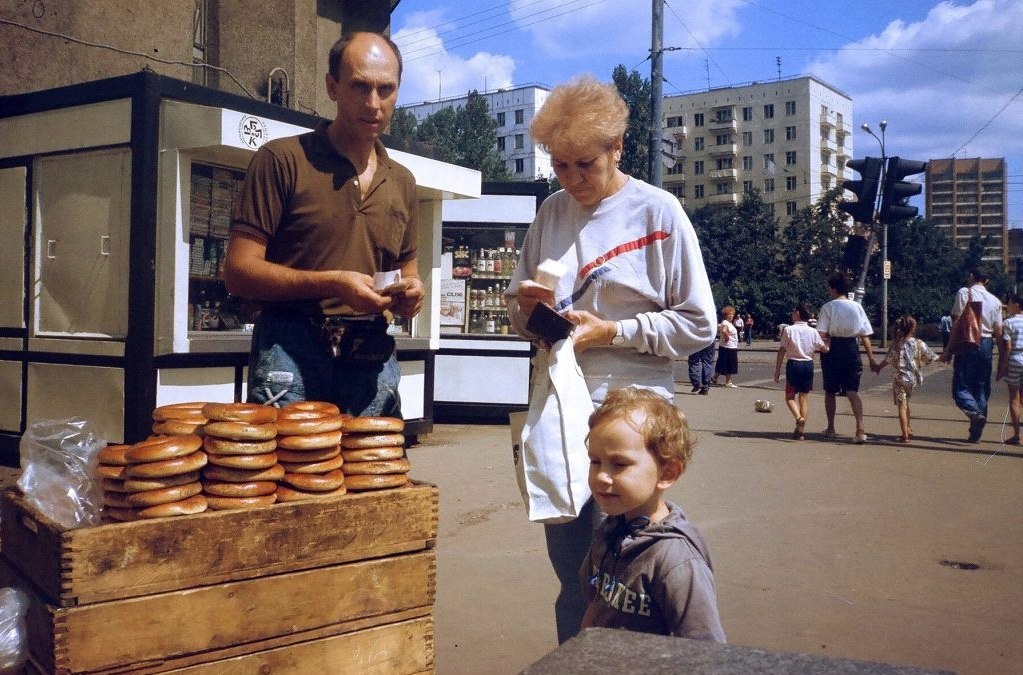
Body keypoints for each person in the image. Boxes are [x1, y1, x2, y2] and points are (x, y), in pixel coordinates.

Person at [504, 74, 716, 644]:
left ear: (617, 149)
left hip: (630, 418)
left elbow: (700, 324)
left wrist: (613, 331)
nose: (571, 180)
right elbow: (520, 319)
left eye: (584, 166)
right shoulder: (550, 212)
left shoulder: (658, 213)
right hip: (558, 414)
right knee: (575, 574)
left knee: (623, 580)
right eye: (560, 165)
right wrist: (527, 309)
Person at [224, 32, 424, 418]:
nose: (373, 103)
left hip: (369, 351)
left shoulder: (403, 181)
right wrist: (332, 283)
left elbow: (407, 273)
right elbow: (238, 272)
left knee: (374, 475)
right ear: (332, 87)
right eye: (359, 87)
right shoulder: (282, 160)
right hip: (289, 345)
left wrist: (412, 294)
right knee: (285, 474)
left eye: (386, 89)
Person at [580, 387, 726, 641]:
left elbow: (705, 650)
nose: (602, 476)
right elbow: (594, 606)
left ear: (667, 473)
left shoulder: (676, 561)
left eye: (619, 464)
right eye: (595, 461)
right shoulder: (608, 534)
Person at [816, 272, 878, 444]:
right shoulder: (857, 307)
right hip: (852, 348)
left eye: (830, 287)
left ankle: (831, 427)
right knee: (852, 391)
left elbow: (821, 333)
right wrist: (872, 359)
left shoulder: (828, 307)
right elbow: (865, 335)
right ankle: (860, 427)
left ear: (834, 288)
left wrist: (822, 348)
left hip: (833, 349)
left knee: (830, 391)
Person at [943, 266, 1003, 442]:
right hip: (986, 344)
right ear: (987, 281)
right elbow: (998, 332)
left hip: (968, 342)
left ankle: (976, 415)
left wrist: (948, 349)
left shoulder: (964, 293)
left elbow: (956, 323)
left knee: (960, 387)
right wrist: (1002, 360)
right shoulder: (996, 301)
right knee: (982, 386)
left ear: (971, 276)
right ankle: (975, 432)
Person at [873, 314, 937, 443]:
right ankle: (908, 428)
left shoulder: (896, 344)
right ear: (913, 328)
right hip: (912, 379)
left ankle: (904, 435)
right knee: (907, 403)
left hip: (899, 379)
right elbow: (930, 357)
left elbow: (888, 360)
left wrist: (878, 367)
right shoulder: (919, 343)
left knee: (902, 406)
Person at [774, 303, 827, 440]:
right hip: (808, 365)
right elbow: (824, 349)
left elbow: (782, 351)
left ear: (797, 313)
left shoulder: (789, 330)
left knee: (790, 396)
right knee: (804, 397)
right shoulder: (813, 331)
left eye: (793, 311)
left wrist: (777, 370)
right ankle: (800, 431)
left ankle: (799, 418)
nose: (792, 314)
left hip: (793, 364)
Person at [996, 294, 1023, 445]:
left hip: (1015, 358)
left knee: (1014, 398)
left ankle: (1017, 435)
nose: (1008, 306)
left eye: (1010, 303)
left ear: (1017, 305)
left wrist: (1002, 366)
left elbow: (1007, 347)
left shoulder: (1009, 323)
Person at [711, 306, 739, 388]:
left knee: (722, 363)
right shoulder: (725, 323)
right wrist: (727, 337)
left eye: (732, 314)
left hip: (728, 347)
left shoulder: (728, 323)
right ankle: (728, 382)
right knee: (730, 364)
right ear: (725, 315)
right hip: (728, 347)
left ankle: (714, 378)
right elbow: (723, 330)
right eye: (729, 314)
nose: (731, 316)